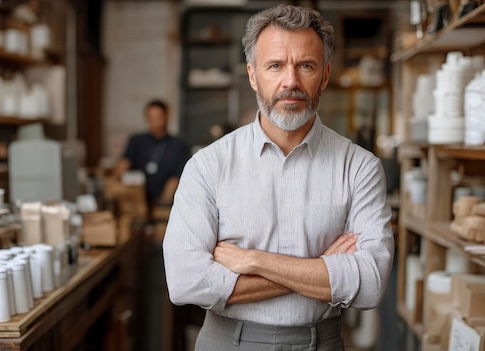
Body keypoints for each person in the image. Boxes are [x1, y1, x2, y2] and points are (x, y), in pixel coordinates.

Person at [162, 5, 394, 350]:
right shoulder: (208, 165)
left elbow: (371, 283)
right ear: (253, 75)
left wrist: (256, 261)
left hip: (321, 342)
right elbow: (185, 282)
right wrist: (322, 268)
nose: (291, 81)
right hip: (229, 341)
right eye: (275, 66)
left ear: (325, 75)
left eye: (306, 66)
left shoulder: (359, 167)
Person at [112, 99, 190, 212]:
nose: (154, 122)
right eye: (151, 118)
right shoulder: (137, 141)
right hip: (138, 198)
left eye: (158, 117)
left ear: (166, 116)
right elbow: (125, 162)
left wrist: (164, 201)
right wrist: (115, 180)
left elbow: (177, 177)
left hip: (165, 201)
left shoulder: (178, 145)